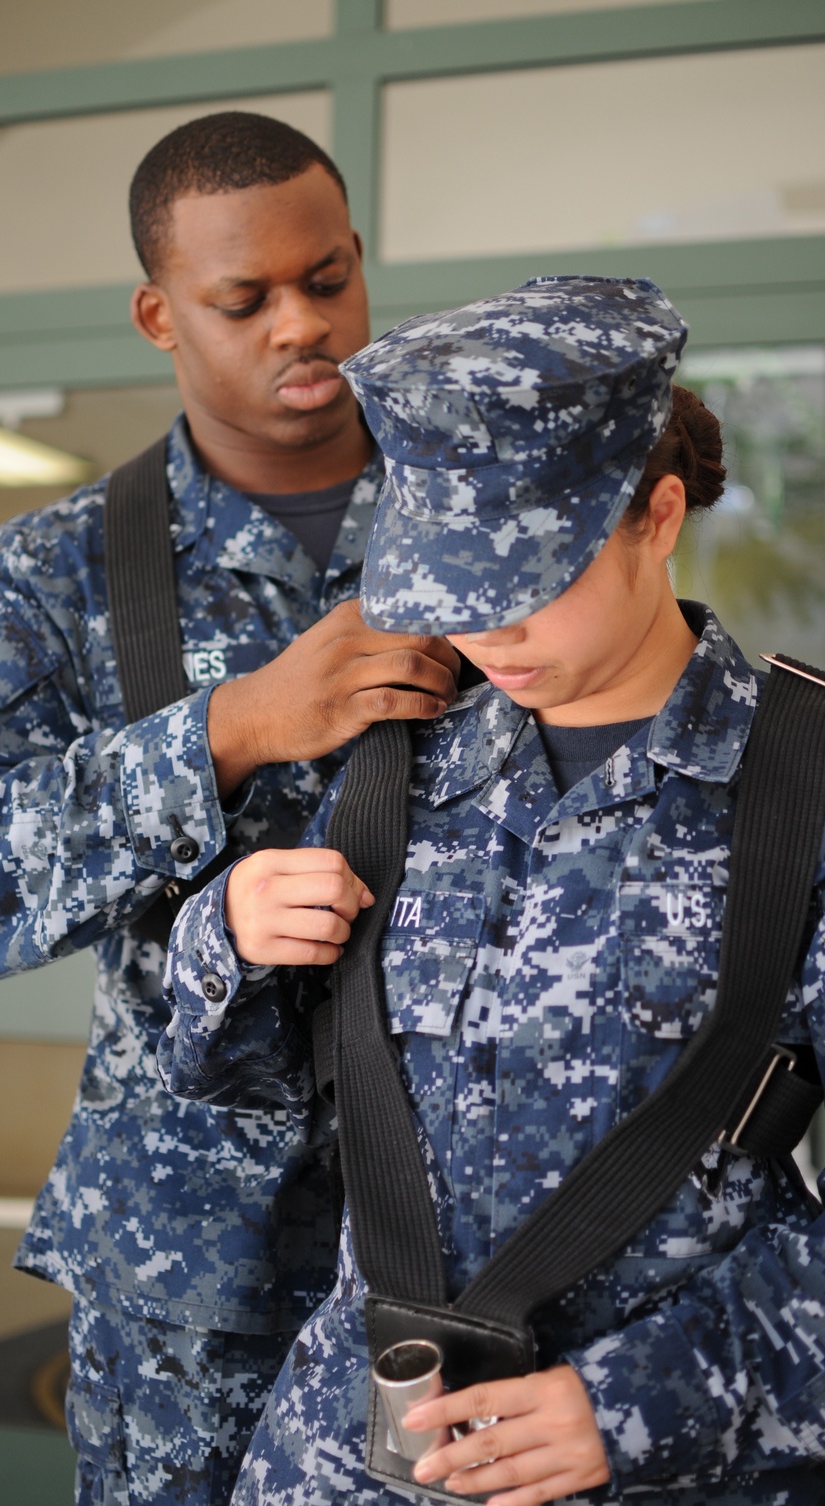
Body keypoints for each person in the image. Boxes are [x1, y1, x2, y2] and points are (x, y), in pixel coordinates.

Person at [0, 112, 458, 1506]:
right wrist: (231, 729)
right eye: (243, 300)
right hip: (193, 1276)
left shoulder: (484, 525)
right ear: (157, 312)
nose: (302, 326)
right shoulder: (54, 574)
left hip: (469, 1224)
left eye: (328, 278)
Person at [156, 275, 825, 1504]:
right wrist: (226, 935)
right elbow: (236, 1087)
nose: (487, 631)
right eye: (453, 587)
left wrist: (644, 1403)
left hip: (659, 1468)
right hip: (348, 1457)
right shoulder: (393, 766)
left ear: (657, 514)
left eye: (526, 578)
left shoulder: (798, 786)